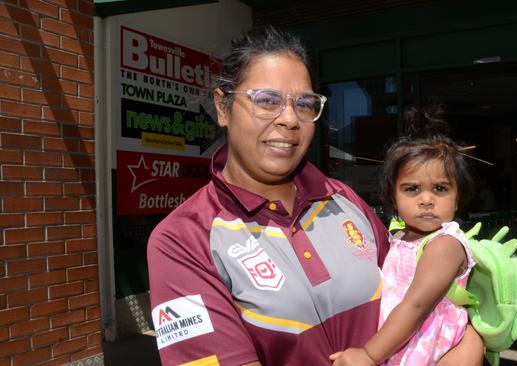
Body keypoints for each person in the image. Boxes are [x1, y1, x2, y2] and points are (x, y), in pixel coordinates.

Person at [147, 25, 483, 366]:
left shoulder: (344, 202)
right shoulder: (182, 240)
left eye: (305, 104)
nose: (290, 119)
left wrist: (470, 344)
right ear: (223, 106)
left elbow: (422, 302)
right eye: (267, 100)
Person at [330, 130, 476, 365]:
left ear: (457, 197)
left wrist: (367, 354)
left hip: (424, 346)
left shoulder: (445, 243)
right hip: (395, 341)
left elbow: (417, 305)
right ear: (393, 198)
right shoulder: (398, 237)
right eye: (412, 189)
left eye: (440, 188)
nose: (426, 200)